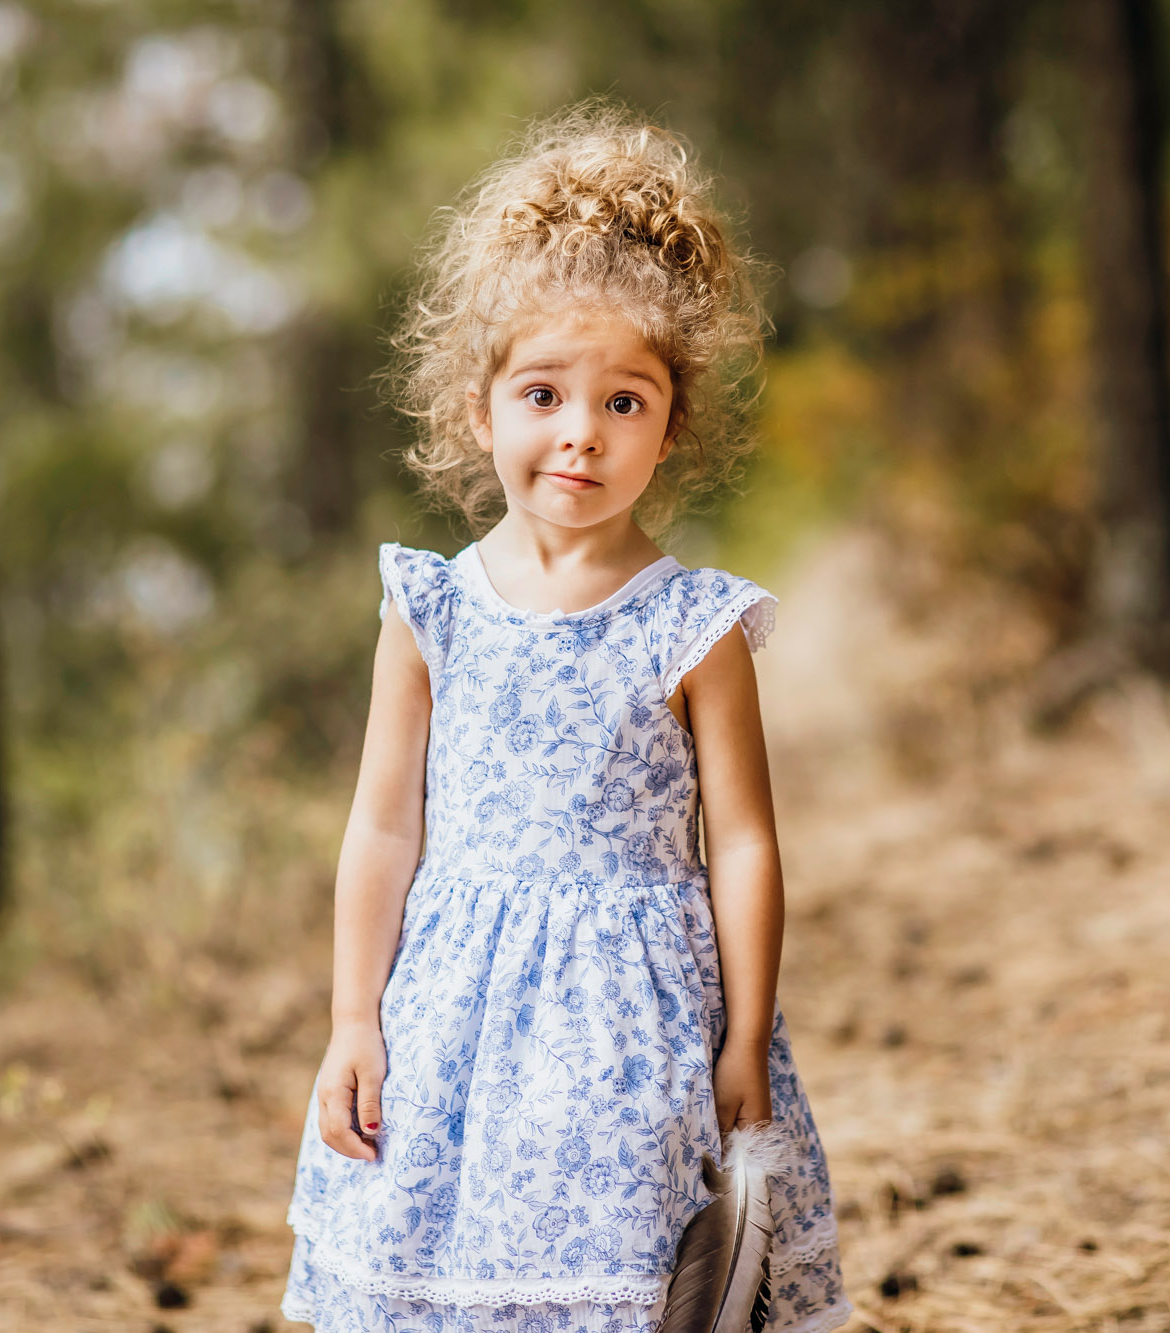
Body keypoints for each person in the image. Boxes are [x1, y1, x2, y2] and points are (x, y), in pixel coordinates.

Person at [281, 98, 852, 1333]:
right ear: (477, 407)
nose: (578, 435)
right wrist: (351, 1019)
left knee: (633, 1291)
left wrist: (742, 1037)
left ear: (671, 426)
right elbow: (383, 826)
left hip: (634, 1036)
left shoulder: (690, 625)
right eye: (542, 394)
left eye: (624, 402)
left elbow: (743, 842)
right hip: (455, 1031)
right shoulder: (430, 608)